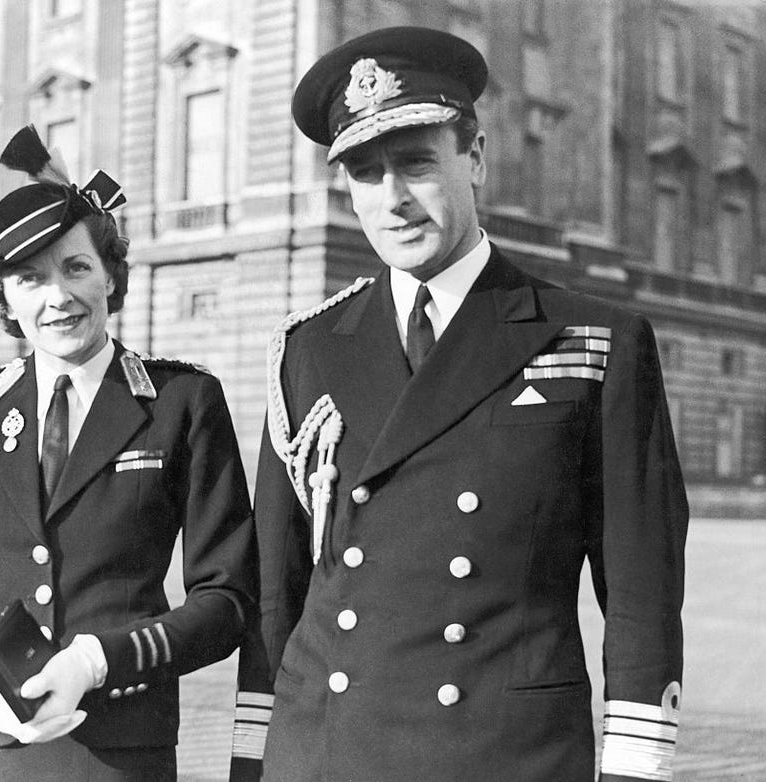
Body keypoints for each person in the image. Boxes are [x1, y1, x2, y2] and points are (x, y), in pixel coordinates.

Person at [229, 27, 688, 782]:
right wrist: (254, 759)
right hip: (325, 750)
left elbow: (639, 592)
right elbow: (276, 593)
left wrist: (636, 766)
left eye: (416, 163)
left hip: (505, 755)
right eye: (365, 174)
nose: (393, 200)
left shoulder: (594, 338)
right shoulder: (308, 348)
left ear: (474, 156)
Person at [0, 125, 256, 781]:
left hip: (118, 747)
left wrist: (97, 660)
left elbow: (227, 600)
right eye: (29, 278)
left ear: (111, 277)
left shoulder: (181, 402)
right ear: (4, 299)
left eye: (76, 268)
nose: (57, 297)